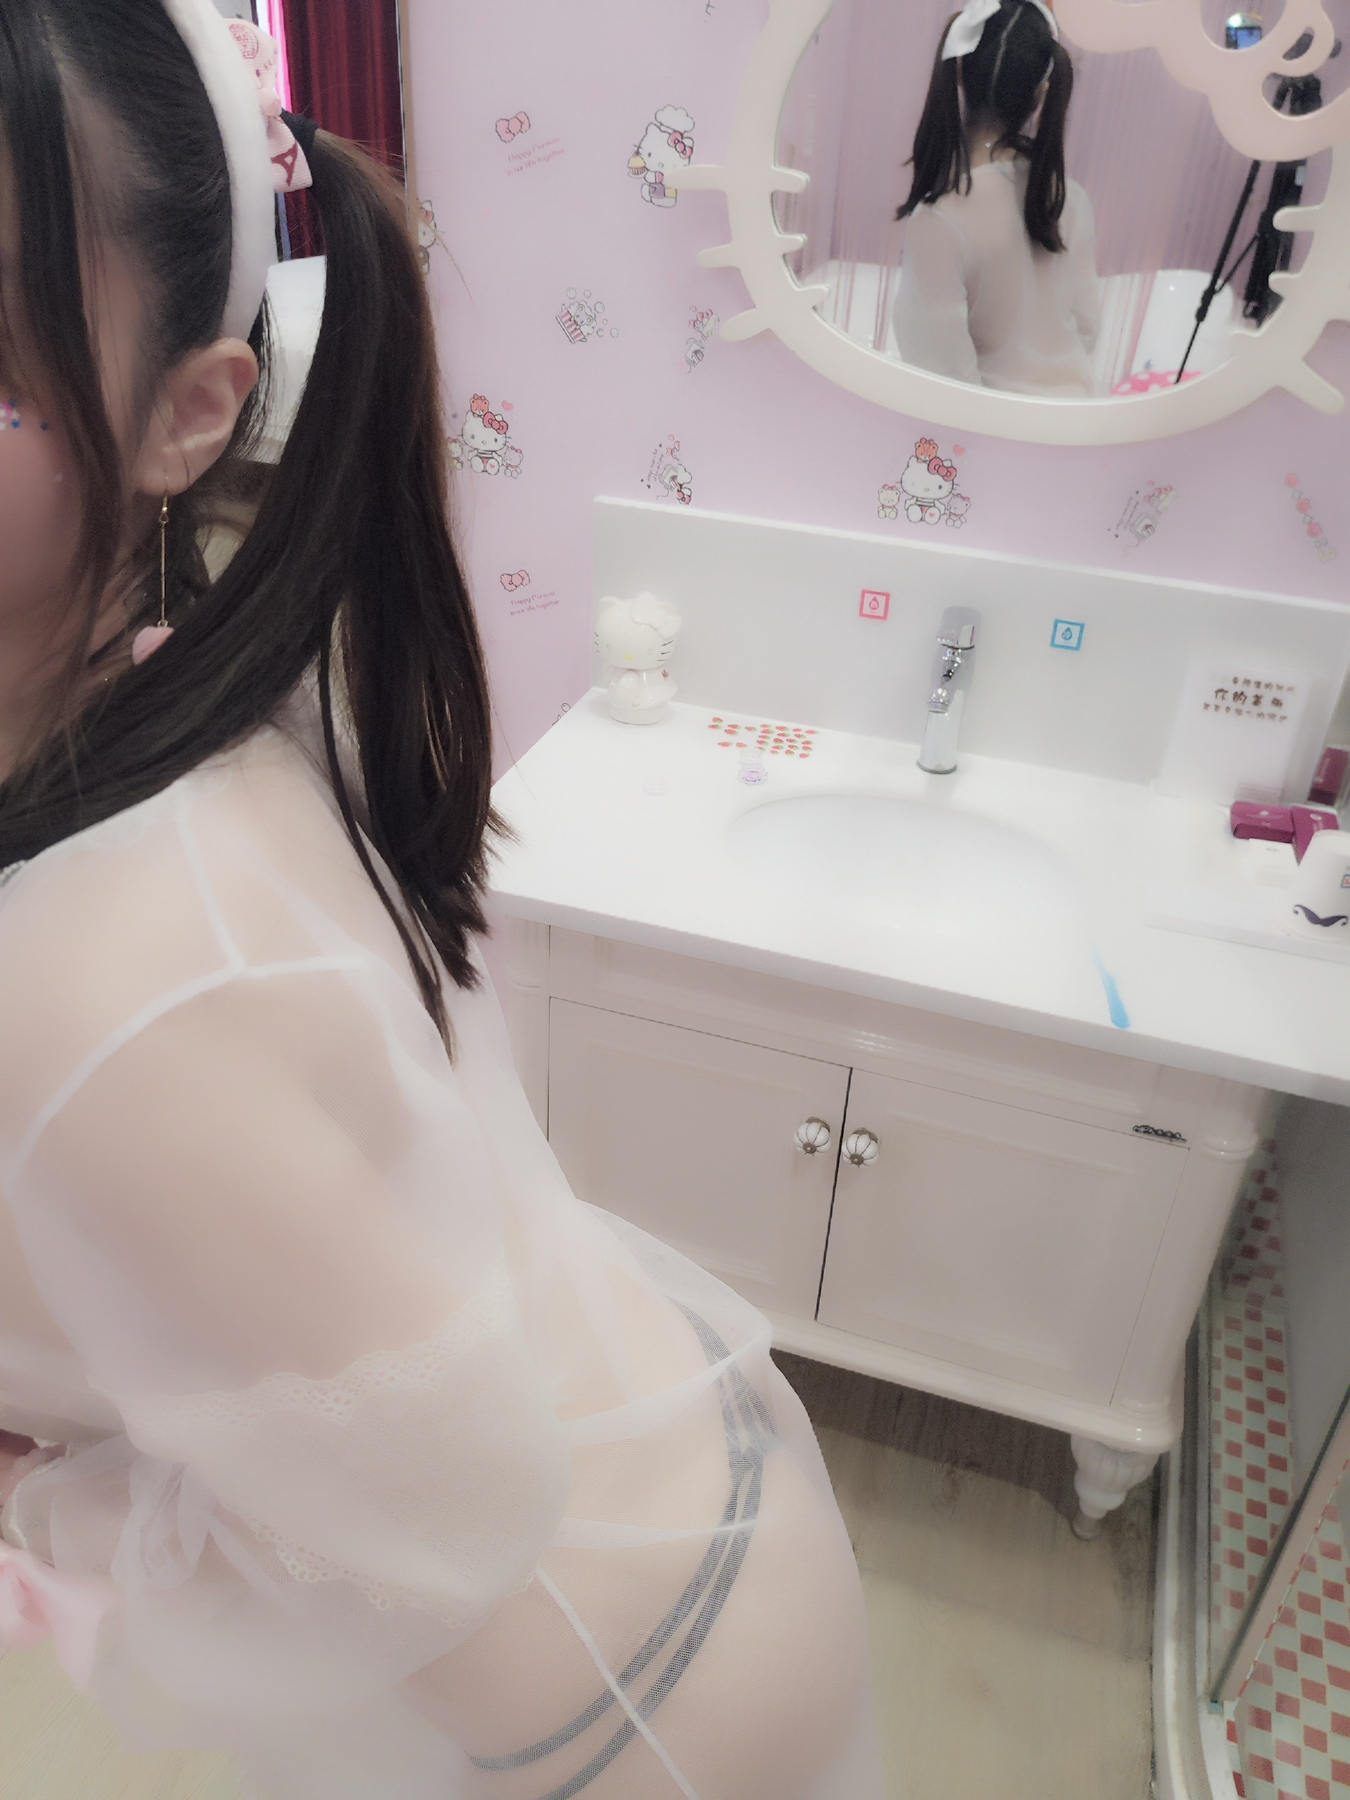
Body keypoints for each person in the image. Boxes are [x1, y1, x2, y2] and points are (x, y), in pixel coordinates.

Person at [0, 4, 886, 1796]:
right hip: (640, 1501)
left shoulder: (96, 976)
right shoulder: (179, 675)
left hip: (626, 1701)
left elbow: (430, 1533)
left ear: (187, 414)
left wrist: (47, 1509)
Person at [893, 0, 1102, 396]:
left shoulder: (940, 218)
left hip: (990, 427)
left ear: (958, 72)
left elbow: (938, 372)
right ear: (1042, 90)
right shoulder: (1069, 199)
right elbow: (1088, 325)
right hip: (1078, 415)